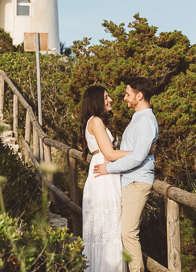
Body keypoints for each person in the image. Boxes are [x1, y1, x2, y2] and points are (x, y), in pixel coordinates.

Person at [94, 77, 158, 272]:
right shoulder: (138, 118)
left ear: (139, 96)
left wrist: (109, 168)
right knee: (124, 232)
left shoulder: (146, 119)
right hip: (129, 180)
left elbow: (138, 156)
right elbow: (136, 152)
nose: (124, 98)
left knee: (129, 232)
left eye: (127, 94)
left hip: (137, 181)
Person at [80, 85, 131, 272]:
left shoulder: (98, 121)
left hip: (107, 173)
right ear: (96, 101)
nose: (110, 100)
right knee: (106, 231)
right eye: (106, 97)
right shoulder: (95, 122)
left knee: (109, 231)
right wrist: (138, 153)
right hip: (103, 177)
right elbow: (109, 153)